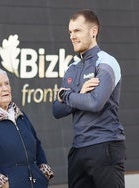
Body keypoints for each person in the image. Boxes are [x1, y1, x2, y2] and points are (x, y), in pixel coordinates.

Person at [52, 9, 126, 188]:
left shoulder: (106, 62)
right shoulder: (72, 68)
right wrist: (80, 92)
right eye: (70, 32)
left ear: (93, 31)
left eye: (77, 31)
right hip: (78, 150)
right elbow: (57, 110)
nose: (72, 36)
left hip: (105, 145)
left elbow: (95, 102)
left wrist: (66, 95)